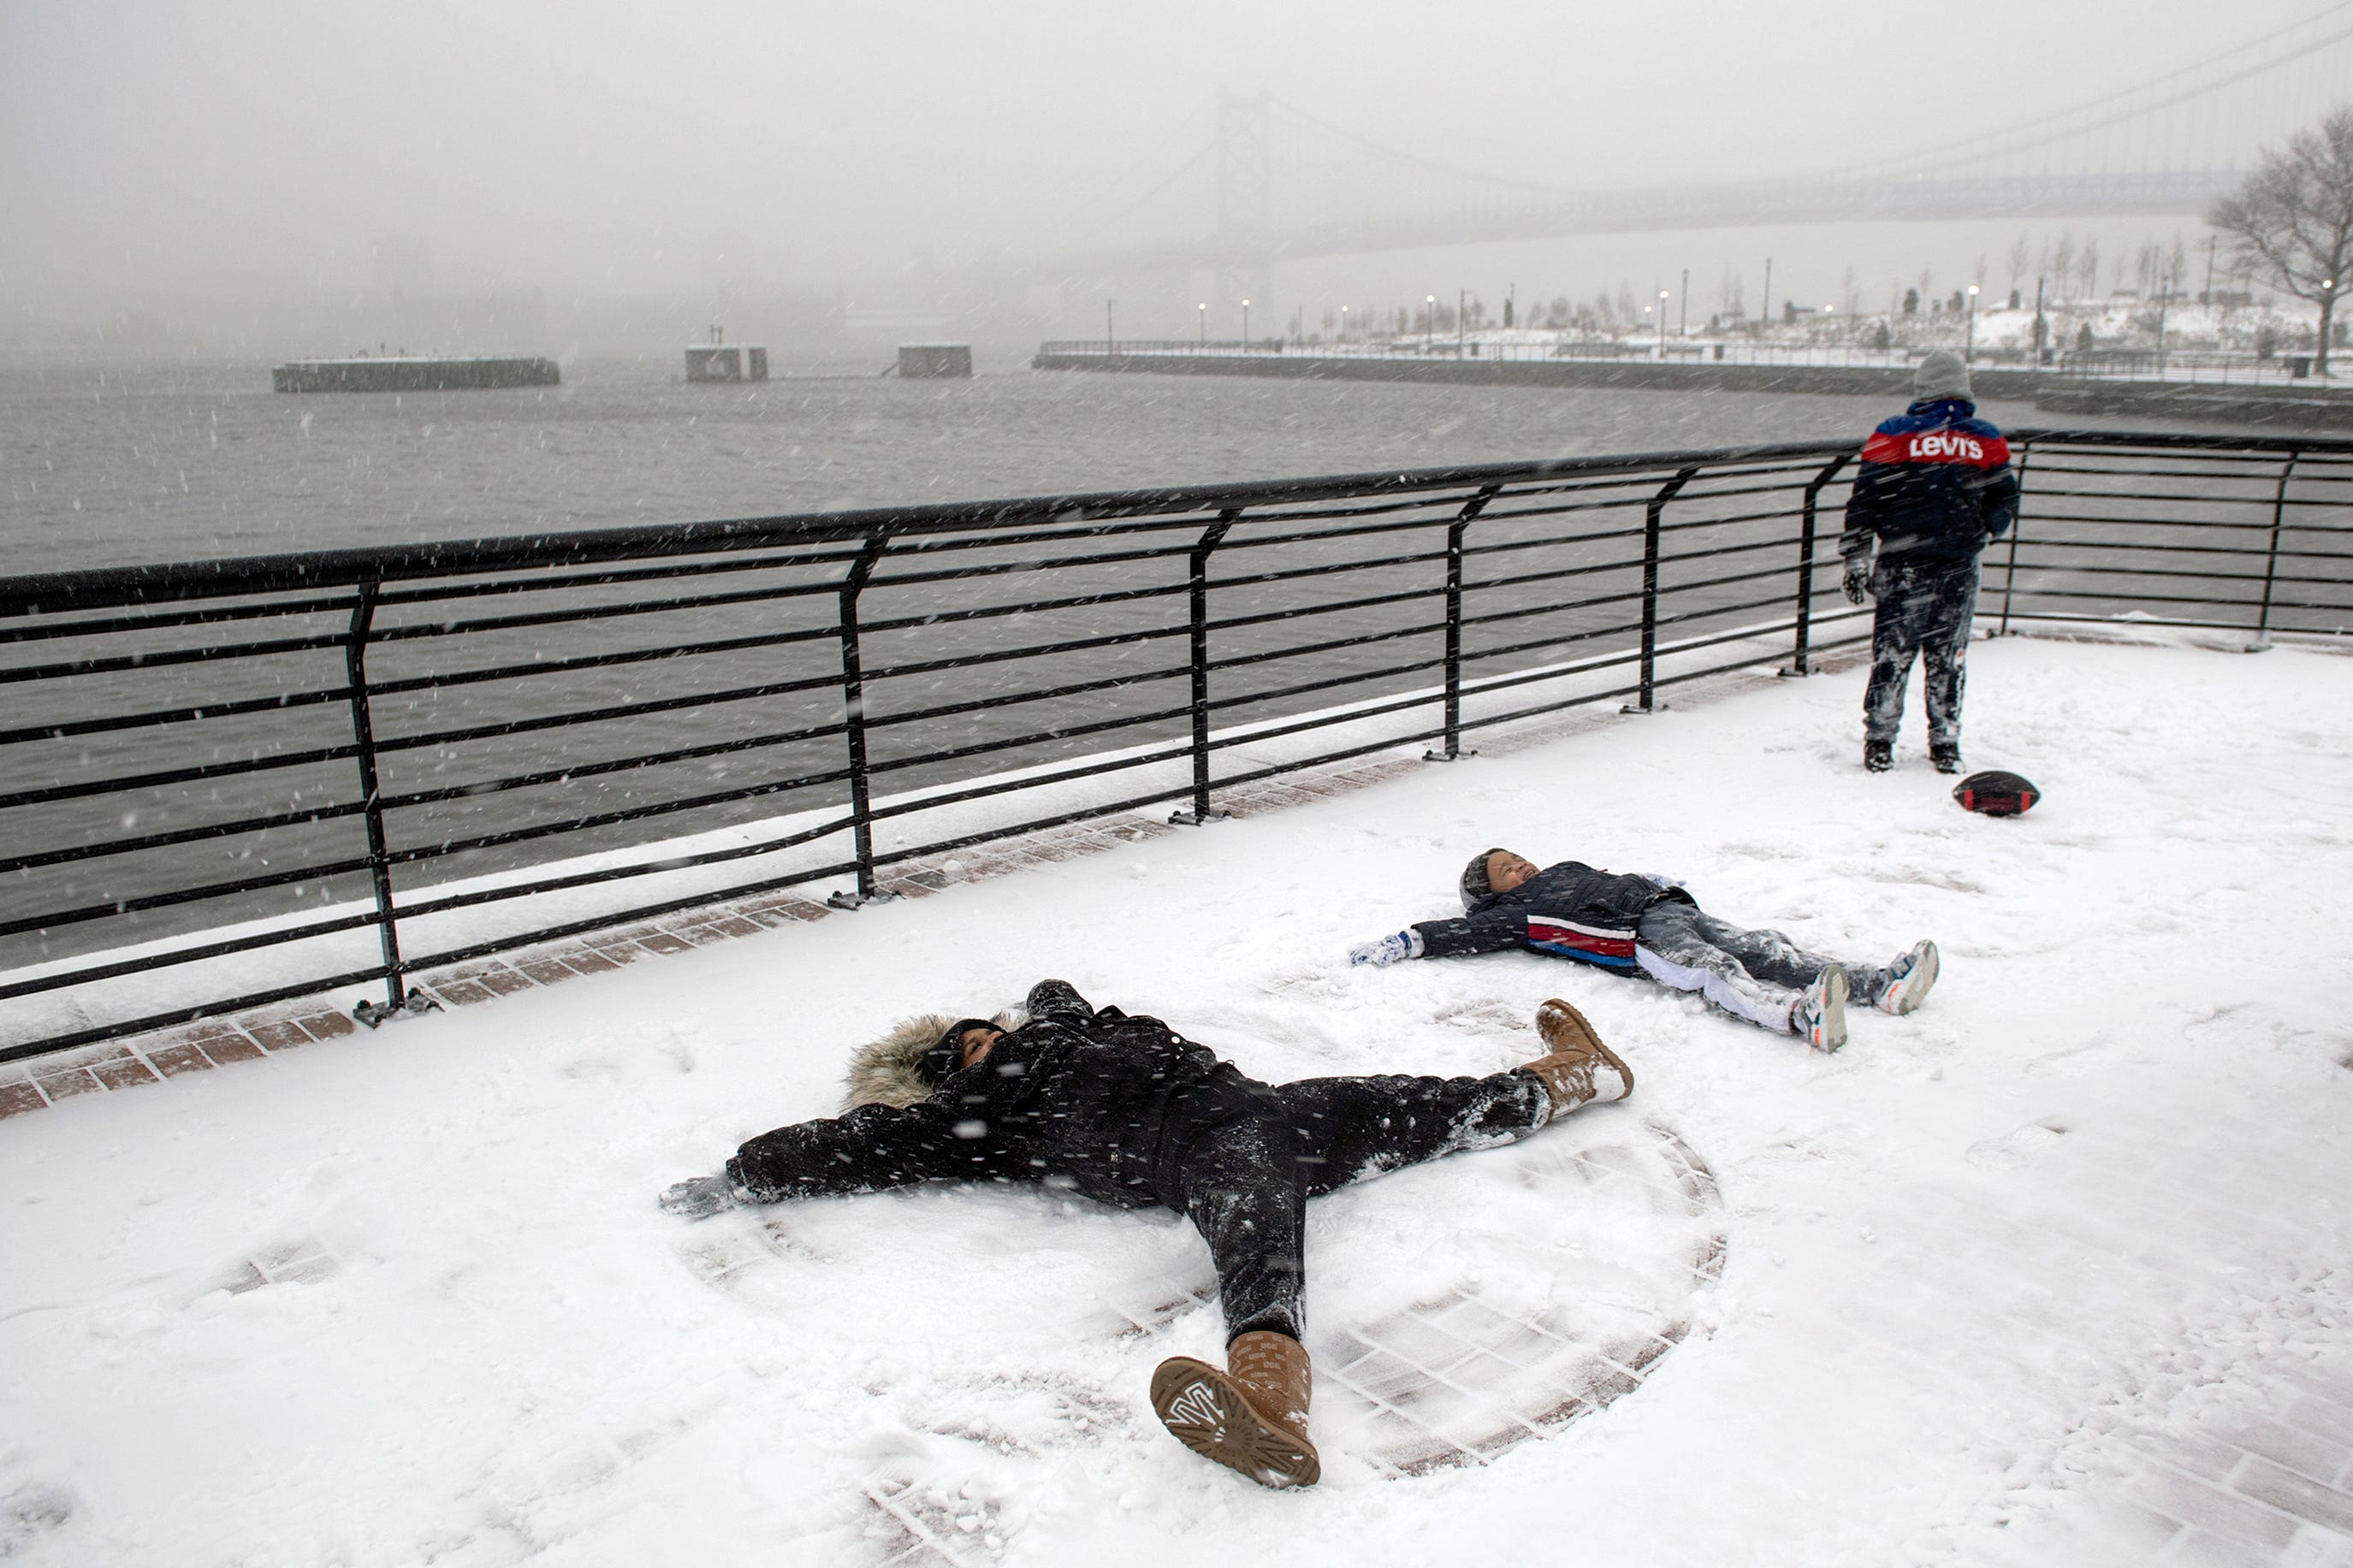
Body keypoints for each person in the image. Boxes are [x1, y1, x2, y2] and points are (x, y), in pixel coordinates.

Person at [657, 979, 1634, 1490]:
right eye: (964, 1051)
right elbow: (858, 1144)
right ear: (947, 1079)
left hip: (1267, 1106)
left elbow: (1053, 990)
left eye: (982, 1029)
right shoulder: (976, 1119)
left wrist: (1045, 1003)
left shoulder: (1067, 1029)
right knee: (1257, 1240)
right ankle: (1271, 1406)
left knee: (1418, 1104)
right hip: (1197, 1149)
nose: (982, 1043)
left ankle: (1574, 1075)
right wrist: (744, 1173)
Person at [1348, 849, 1939, 1052]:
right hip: (1634, 936)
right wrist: (1412, 939)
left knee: (1765, 947)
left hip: (1666, 906)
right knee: (1712, 968)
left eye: (1518, 858)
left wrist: (1652, 882)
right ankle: (1799, 1016)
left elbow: (1606, 879)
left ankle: (1878, 984)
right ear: (1491, 894)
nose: (1521, 866)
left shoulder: (1563, 868)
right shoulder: (1512, 914)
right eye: (1507, 869)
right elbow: (1465, 934)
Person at [1838, 346, 2020, 775]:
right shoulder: (1985, 437)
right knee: (1948, 656)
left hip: (1902, 560)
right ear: (1964, 389)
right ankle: (1945, 743)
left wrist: (1856, 556)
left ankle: (1879, 742)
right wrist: (1986, 530)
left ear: (1921, 389)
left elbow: (1865, 499)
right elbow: (2005, 496)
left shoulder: (1893, 433)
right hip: (1960, 562)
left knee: (1892, 655)